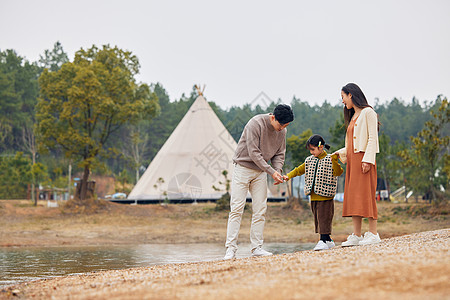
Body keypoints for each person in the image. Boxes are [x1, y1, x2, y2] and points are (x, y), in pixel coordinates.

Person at [224, 104, 294, 260]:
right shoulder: (255, 123)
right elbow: (253, 153)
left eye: (286, 126)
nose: (282, 128)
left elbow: (279, 154)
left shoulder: (282, 131)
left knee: (260, 209)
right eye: (280, 124)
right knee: (236, 208)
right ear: (273, 117)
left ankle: (257, 248)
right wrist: (271, 172)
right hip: (243, 167)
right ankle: (230, 249)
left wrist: (278, 172)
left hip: (261, 172)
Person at [335, 83, 381, 246]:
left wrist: (368, 160)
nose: (342, 101)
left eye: (343, 97)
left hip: (364, 160)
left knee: (367, 195)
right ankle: (357, 235)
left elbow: (372, 138)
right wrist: (339, 153)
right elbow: (351, 145)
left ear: (351, 95)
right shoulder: (353, 116)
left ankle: (374, 234)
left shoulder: (368, 112)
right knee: (354, 196)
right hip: (353, 161)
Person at [280, 134, 343, 251]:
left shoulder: (330, 159)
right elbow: (299, 170)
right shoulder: (309, 161)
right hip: (313, 196)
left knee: (324, 217)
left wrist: (335, 161)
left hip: (325, 196)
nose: (311, 152)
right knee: (318, 218)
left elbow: (338, 172)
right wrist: (288, 176)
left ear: (321, 147)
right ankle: (328, 240)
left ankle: (323, 240)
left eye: (313, 150)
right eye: (310, 150)